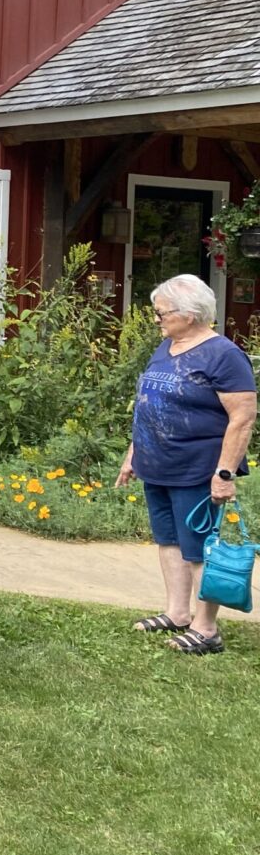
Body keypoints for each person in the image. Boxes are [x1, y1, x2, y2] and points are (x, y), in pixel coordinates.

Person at [119, 274, 256, 654]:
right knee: (169, 541)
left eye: (162, 312)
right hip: (157, 464)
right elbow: (150, 404)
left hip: (198, 468)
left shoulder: (224, 355)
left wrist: (225, 473)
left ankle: (206, 629)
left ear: (190, 314)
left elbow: (243, 417)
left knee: (198, 548)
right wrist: (134, 453)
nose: (156, 319)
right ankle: (177, 613)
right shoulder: (167, 347)